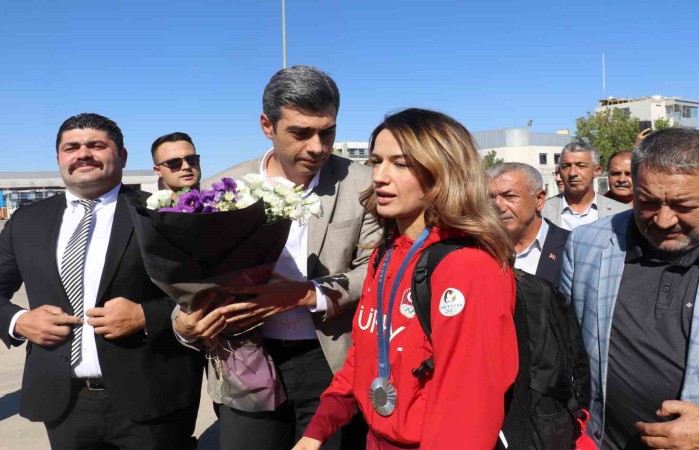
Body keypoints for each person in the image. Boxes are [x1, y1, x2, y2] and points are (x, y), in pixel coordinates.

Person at [175, 65, 381, 450]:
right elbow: (186, 280)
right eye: (301, 133)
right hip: (245, 360)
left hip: (331, 363)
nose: (317, 147)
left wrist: (307, 295)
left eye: (328, 131)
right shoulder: (219, 191)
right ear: (267, 125)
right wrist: (185, 324)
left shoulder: (363, 185)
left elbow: (376, 269)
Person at [294, 108, 519, 449]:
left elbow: (468, 411)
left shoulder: (467, 267)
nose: (380, 177)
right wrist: (316, 432)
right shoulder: (384, 256)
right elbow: (362, 357)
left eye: (401, 164)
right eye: (376, 161)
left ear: (442, 173)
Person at [0, 113, 203, 449]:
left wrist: (145, 315)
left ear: (121, 156)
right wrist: (19, 321)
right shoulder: (27, 221)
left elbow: (205, 292)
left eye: (96, 145)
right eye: (72, 147)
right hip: (64, 403)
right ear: (59, 158)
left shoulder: (162, 213)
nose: (83, 153)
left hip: (153, 399)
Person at [561, 127, 699, 450]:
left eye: (684, 205)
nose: (664, 220)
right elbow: (568, 357)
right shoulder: (587, 245)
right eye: (648, 202)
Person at [487, 162, 569, 287]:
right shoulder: (479, 248)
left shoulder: (571, 247)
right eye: (490, 198)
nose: (499, 206)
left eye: (509, 196)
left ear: (539, 199)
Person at [544, 141, 630, 231]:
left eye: (581, 166)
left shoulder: (622, 212)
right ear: (559, 171)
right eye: (566, 166)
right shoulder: (542, 212)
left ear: (596, 171)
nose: (573, 173)